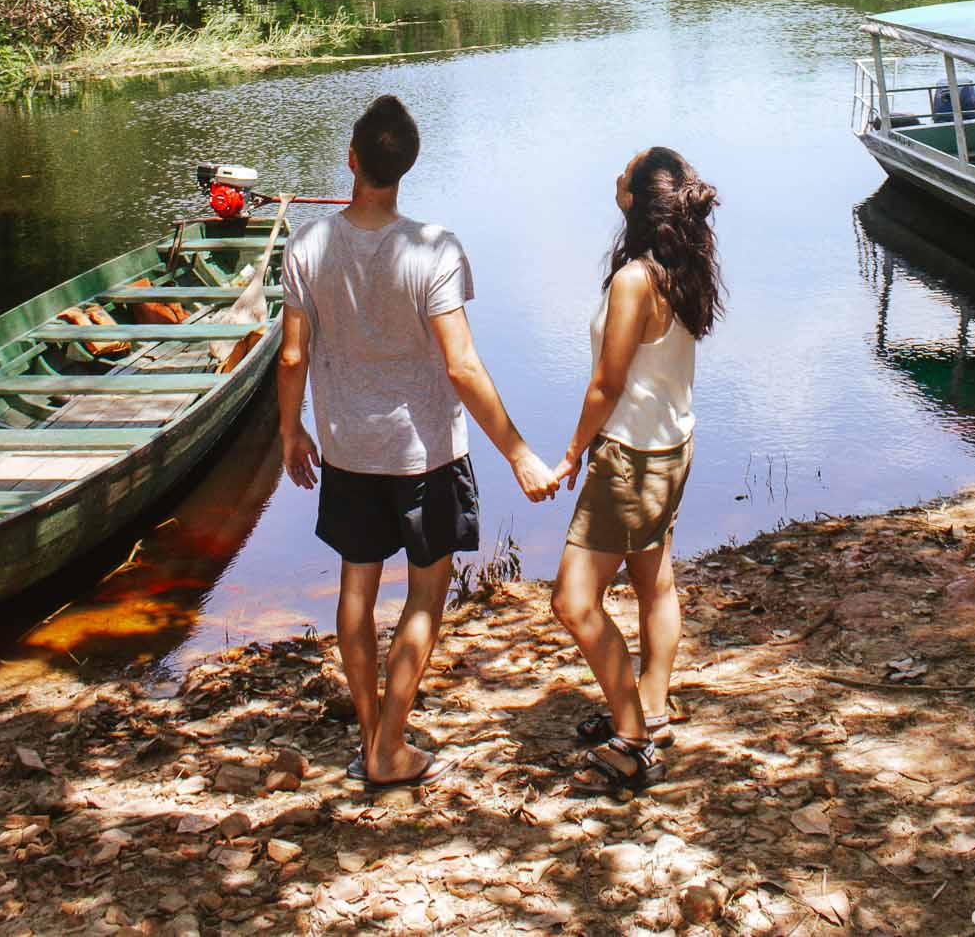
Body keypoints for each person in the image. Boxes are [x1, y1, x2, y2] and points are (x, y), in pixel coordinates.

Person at [278, 93, 559, 790]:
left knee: (356, 584)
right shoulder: (433, 247)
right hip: (426, 454)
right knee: (425, 596)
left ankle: (374, 728)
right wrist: (519, 450)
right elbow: (461, 364)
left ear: (351, 159)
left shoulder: (307, 246)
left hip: (347, 449)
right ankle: (389, 744)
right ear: (406, 166)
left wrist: (291, 430)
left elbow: (290, 357)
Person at [550, 145, 724, 794]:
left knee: (573, 600)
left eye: (624, 172)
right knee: (654, 580)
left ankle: (632, 739)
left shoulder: (633, 280)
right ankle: (651, 704)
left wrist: (572, 452)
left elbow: (607, 383)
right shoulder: (680, 262)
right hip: (672, 443)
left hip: (631, 454)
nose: (613, 175)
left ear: (636, 198)